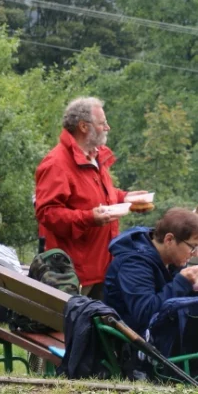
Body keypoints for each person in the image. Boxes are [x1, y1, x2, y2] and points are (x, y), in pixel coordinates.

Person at [35, 97, 140, 299]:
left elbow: (94, 195)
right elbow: (47, 213)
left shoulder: (93, 156)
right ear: (84, 127)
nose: (107, 127)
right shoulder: (56, 164)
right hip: (76, 274)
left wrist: (125, 197)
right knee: (76, 329)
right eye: (102, 123)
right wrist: (88, 218)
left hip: (102, 267)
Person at [104, 208, 198, 354]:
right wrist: (182, 282)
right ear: (169, 240)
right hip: (134, 347)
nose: (195, 254)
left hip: (162, 337)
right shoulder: (134, 264)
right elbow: (146, 314)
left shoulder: (170, 259)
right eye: (193, 247)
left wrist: (192, 287)